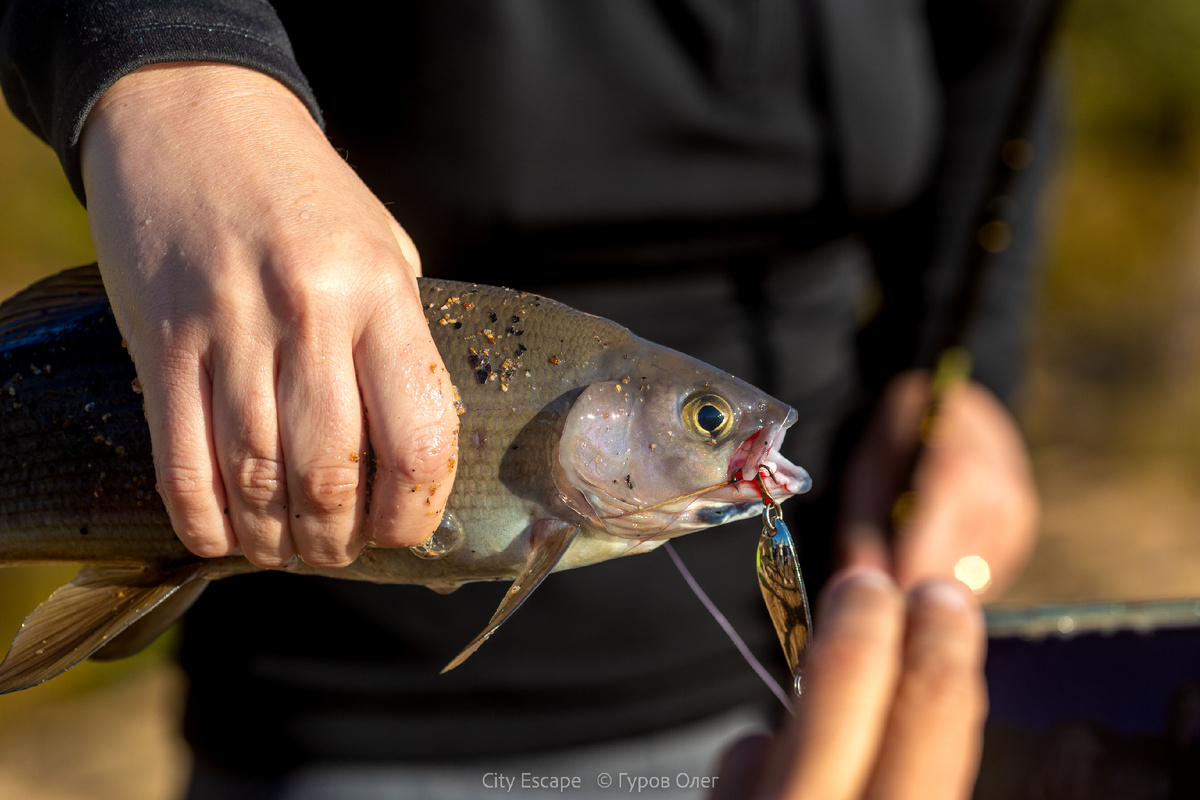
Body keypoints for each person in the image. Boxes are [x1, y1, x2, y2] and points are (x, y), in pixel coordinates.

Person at [0, 1, 1047, 796]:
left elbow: (1000, 59)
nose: (735, 438)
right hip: (348, 726)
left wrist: (961, 373)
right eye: (707, 421)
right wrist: (173, 63)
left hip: (791, 699)